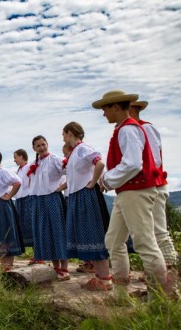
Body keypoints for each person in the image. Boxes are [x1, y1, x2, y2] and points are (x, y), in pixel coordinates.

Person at [92, 90, 171, 297]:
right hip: (127, 191)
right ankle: (120, 295)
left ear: (116, 107)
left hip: (136, 191)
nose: (103, 114)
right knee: (113, 241)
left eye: (105, 109)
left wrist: (106, 179)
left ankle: (163, 297)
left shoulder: (128, 129)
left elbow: (133, 163)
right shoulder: (124, 129)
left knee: (145, 242)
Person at [61, 122, 112, 291]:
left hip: (85, 195)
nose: (63, 138)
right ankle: (100, 277)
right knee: (87, 235)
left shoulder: (82, 148)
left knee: (94, 233)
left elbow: (99, 163)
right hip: (77, 195)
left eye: (64, 134)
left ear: (70, 133)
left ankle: (105, 279)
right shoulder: (75, 152)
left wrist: (92, 183)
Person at [129, 101, 178, 270]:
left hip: (153, 185)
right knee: (148, 233)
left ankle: (170, 277)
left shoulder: (146, 128)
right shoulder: (134, 129)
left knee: (158, 230)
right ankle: (157, 275)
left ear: (130, 110)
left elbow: (154, 159)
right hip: (145, 186)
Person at [27, 135, 69, 280]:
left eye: (43, 144)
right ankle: (55, 266)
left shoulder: (56, 160)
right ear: (34, 149)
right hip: (38, 201)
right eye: (38, 146)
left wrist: (61, 187)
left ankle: (65, 268)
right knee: (45, 232)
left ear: (48, 144)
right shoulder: (34, 164)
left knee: (57, 231)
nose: (41, 148)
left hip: (52, 199)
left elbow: (73, 172)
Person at [13, 149, 38, 263]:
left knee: (32, 225)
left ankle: (38, 255)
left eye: (15, 157)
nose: (14, 160)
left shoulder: (29, 167)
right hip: (20, 199)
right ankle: (35, 255)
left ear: (22, 156)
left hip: (28, 198)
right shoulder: (18, 170)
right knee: (24, 227)